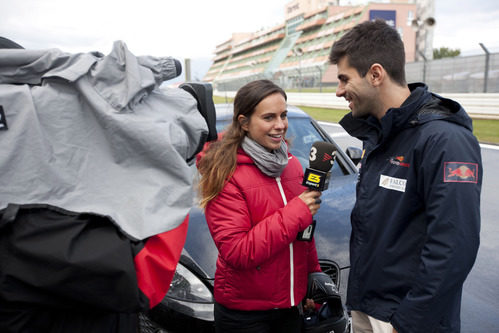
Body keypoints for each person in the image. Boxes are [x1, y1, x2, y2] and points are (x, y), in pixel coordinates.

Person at [329, 20, 482, 333]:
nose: (339, 91)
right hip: (367, 307)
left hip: (407, 321)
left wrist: (407, 323)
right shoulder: (380, 135)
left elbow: (453, 247)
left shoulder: (444, 140)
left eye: (344, 79)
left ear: (375, 74)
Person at [197, 79, 322, 332]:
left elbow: (303, 234)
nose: (280, 125)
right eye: (269, 117)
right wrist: (297, 211)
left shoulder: (292, 165)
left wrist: (312, 278)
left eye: (283, 115)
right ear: (244, 123)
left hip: (289, 307)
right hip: (245, 315)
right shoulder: (225, 172)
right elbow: (238, 251)